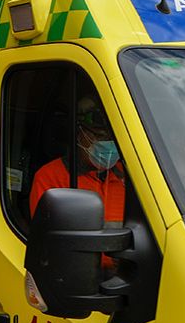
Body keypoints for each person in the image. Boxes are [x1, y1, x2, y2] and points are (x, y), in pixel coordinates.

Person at [29, 95, 125, 225]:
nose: (108, 143)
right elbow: (50, 237)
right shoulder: (50, 177)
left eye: (111, 138)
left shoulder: (128, 177)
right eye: (99, 136)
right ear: (78, 134)